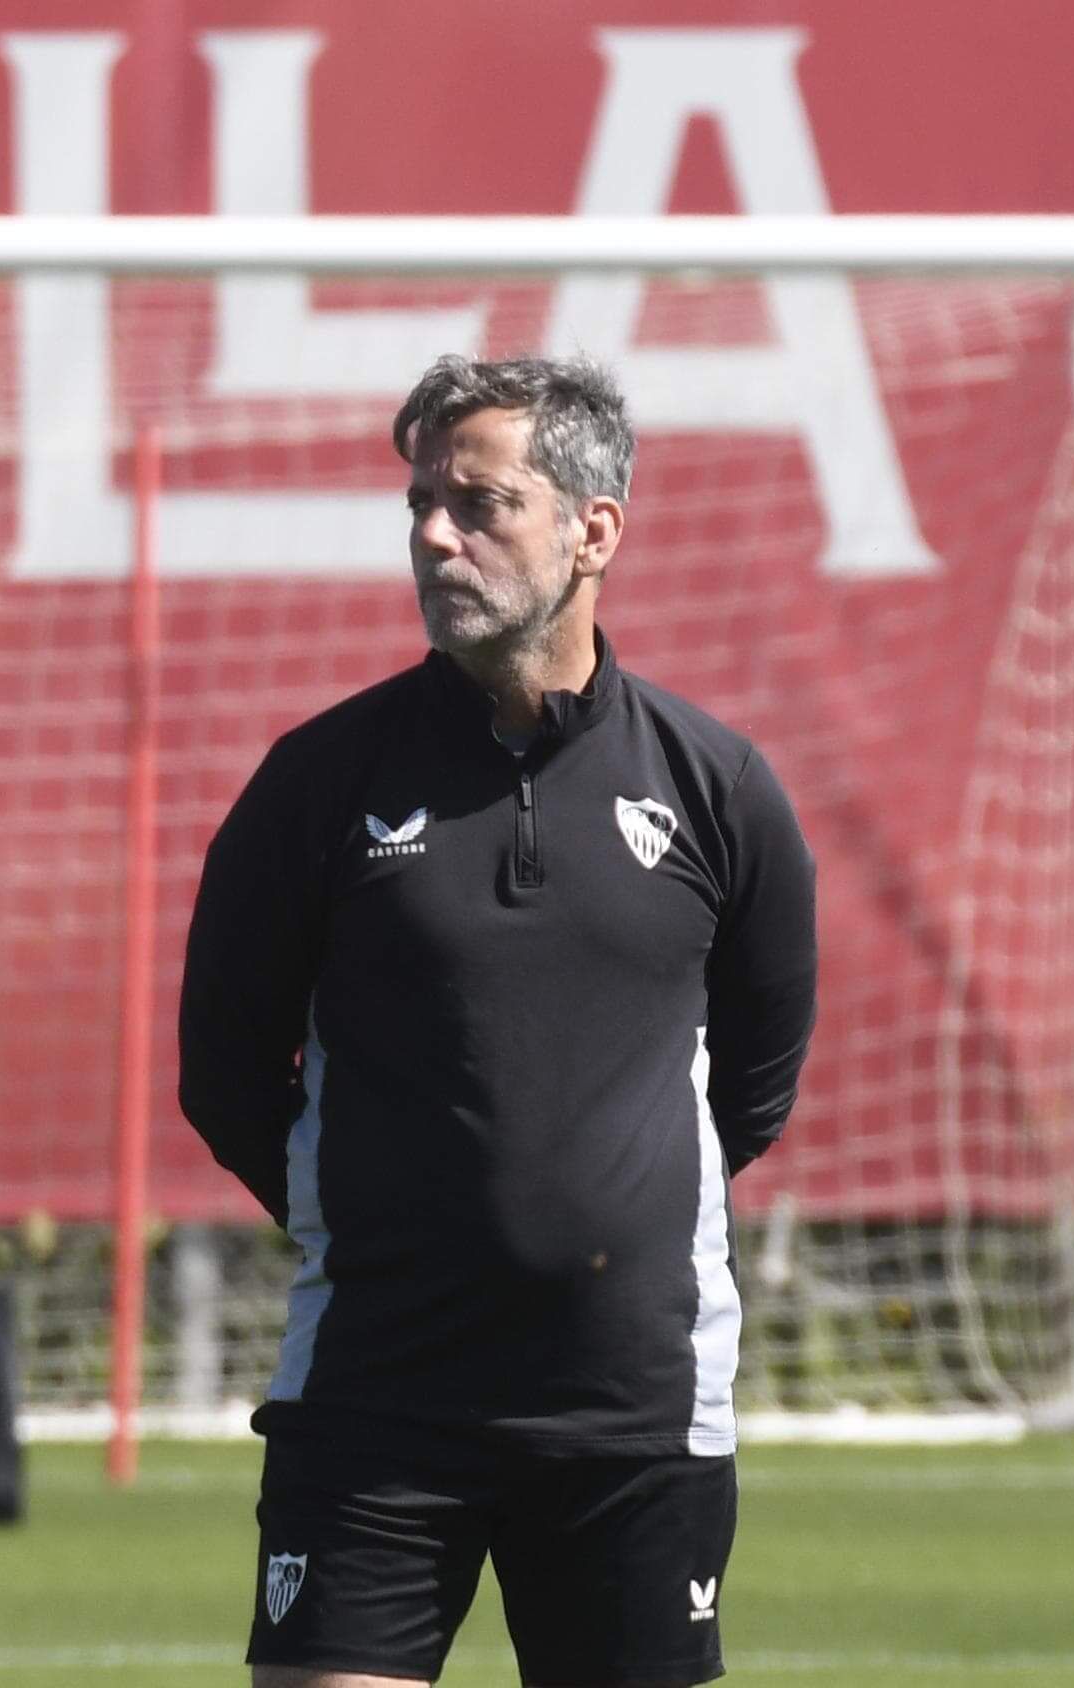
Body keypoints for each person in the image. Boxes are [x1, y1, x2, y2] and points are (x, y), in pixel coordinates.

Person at [178, 355, 817, 1687]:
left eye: (478, 503)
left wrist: (602, 1212)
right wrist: (376, 1218)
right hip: (374, 1394)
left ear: (593, 530)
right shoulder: (317, 781)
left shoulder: (716, 787)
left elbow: (752, 1082)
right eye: (419, 502)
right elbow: (225, 1070)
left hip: (632, 1411)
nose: (431, 534)